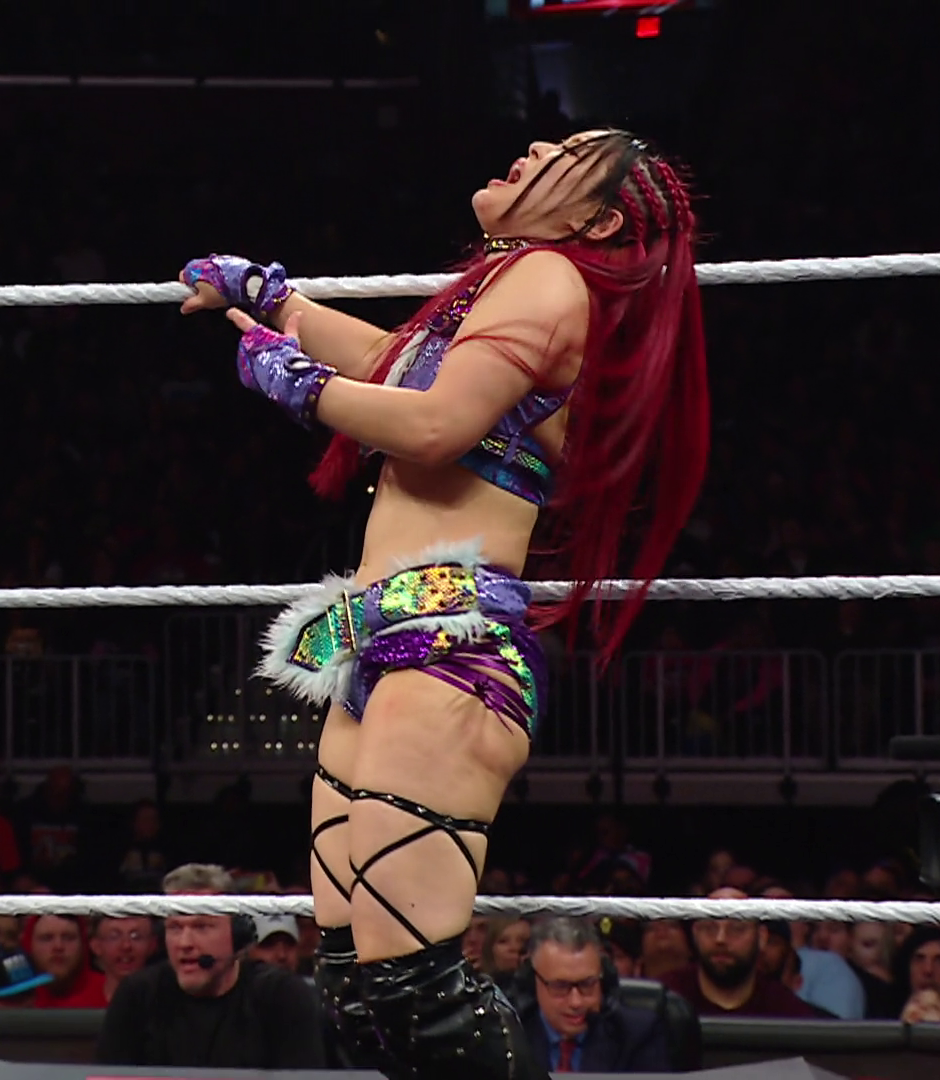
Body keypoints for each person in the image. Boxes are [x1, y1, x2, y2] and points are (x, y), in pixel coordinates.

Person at [180, 129, 705, 1080]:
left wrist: (301, 386)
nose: (536, 144)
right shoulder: (509, 282)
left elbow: (432, 425)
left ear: (597, 220)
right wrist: (277, 303)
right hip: (380, 639)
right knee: (358, 994)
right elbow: (402, 364)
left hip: (448, 648)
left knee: (411, 990)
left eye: (569, 151)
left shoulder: (549, 275)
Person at [96, 864, 325, 1068]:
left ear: (237, 934)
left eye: (202, 927)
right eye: (175, 927)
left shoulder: (281, 996)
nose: (184, 943)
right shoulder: (137, 995)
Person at [513, 917, 669, 1073]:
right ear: (532, 982)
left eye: (587, 984)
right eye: (560, 986)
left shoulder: (638, 1035)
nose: (576, 1002)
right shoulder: (509, 1037)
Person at [656, 889, 824, 1019]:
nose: (720, 939)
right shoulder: (661, 999)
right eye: (709, 928)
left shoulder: (785, 1010)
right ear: (695, 934)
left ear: (761, 938)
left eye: (736, 928)